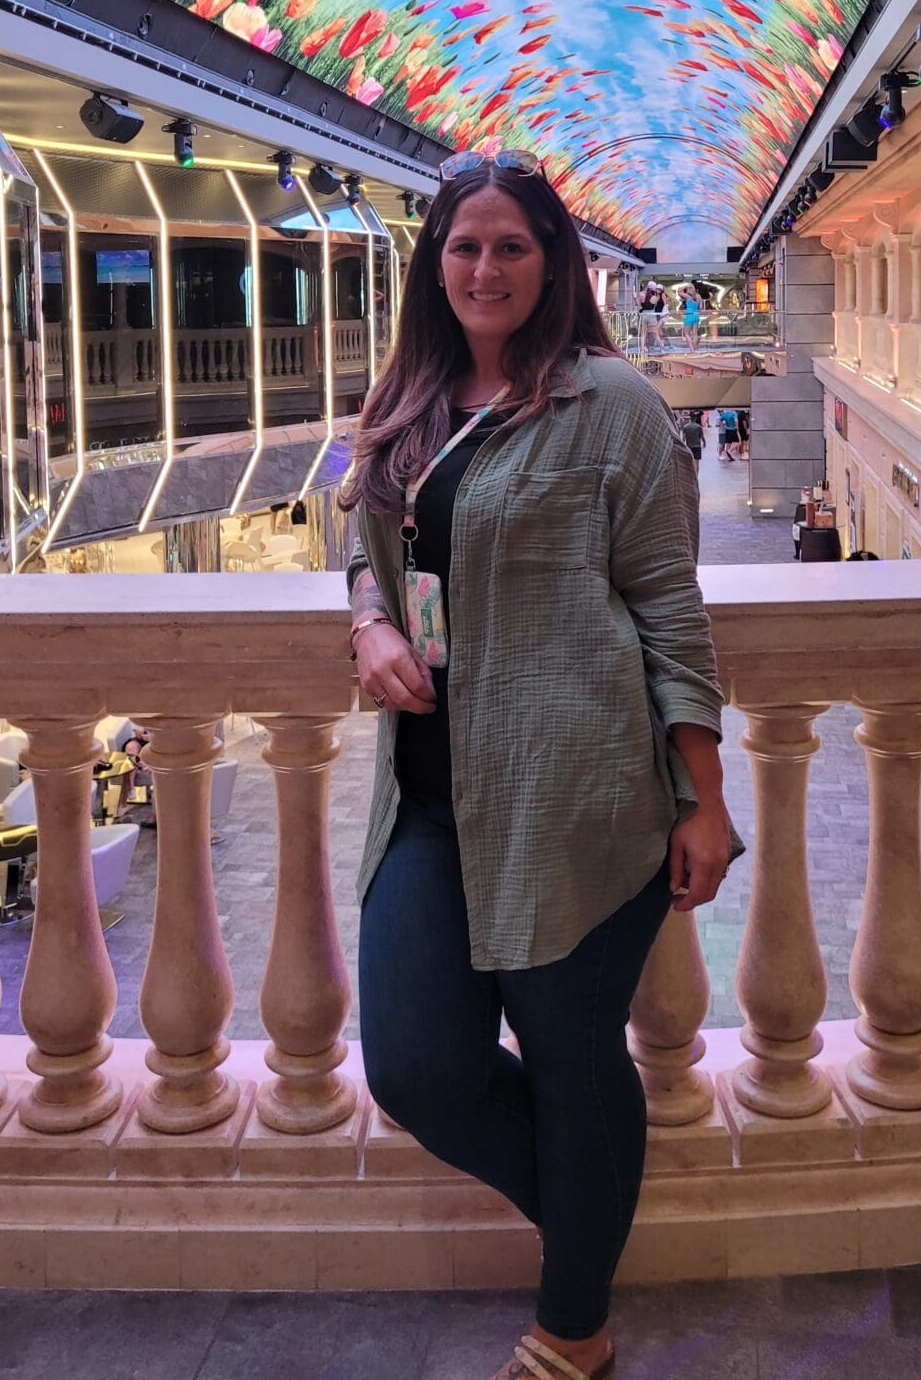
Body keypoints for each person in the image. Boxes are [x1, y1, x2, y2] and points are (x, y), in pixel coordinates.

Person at [341, 148, 734, 1380]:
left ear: (556, 261)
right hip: (429, 793)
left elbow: (670, 605)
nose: (487, 266)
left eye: (514, 244)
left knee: (572, 1062)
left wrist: (706, 798)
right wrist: (367, 623)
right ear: (435, 263)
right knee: (417, 1067)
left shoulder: (608, 406)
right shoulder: (410, 397)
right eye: (465, 245)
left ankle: (576, 1325)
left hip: (578, 796)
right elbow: (364, 544)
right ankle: (588, 1222)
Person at [636, 278, 667, 355]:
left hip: (643, 314)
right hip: (652, 315)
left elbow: (638, 304)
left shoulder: (640, 294)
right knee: (655, 333)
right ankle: (662, 349)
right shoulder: (655, 297)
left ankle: (643, 349)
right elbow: (655, 305)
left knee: (643, 333)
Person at [681, 286, 702, 351]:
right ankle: (694, 348)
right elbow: (701, 307)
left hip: (689, 315)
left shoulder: (688, 296)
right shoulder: (698, 296)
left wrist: (685, 286)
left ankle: (692, 350)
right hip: (696, 315)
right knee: (695, 333)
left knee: (686, 333)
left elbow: (679, 291)